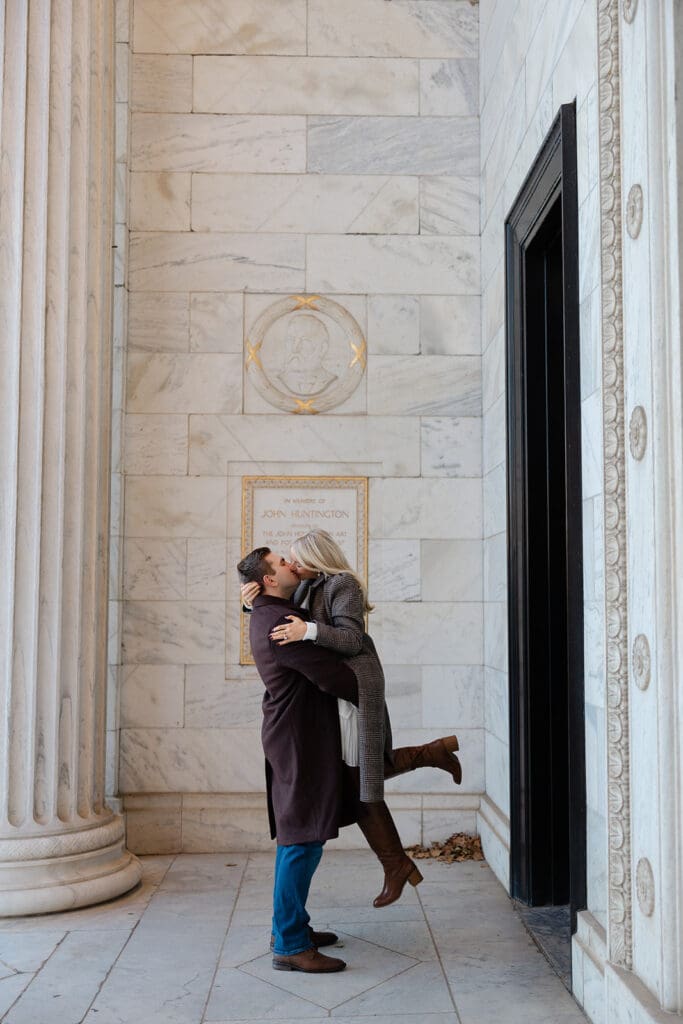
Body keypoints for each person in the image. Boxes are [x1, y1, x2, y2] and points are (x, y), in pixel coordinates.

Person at [241, 529, 462, 909]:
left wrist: (307, 629)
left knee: (361, 772)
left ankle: (397, 859)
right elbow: (275, 608)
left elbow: (351, 640)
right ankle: (429, 761)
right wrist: (252, 602)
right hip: (337, 690)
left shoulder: (343, 584)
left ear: (317, 559)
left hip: (358, 684)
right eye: (286, 560)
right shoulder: (305, 586)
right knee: (357, 773)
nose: (292, 564)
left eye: (296, 558)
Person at [236, 546, 358, 974]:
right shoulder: (281, 623)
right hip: (298, 738)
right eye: (282, 563)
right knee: (301, 838)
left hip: (296, 733)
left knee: (304, 835)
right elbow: (333, 676)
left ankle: (292, 927)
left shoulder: (270, 610)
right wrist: (369, 678)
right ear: (269, 579)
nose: (292, 564)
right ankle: (288, 942)